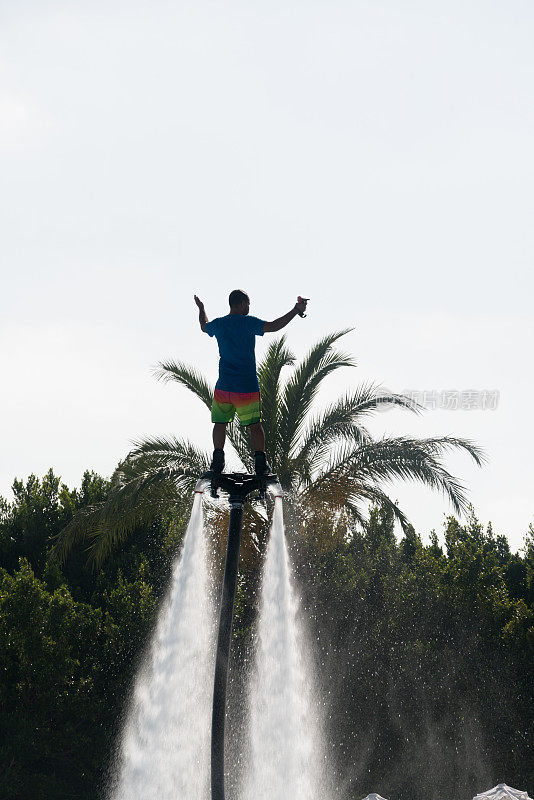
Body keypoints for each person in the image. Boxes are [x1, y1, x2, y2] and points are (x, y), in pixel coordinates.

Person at [194, 289, 308, 475]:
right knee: (255, 425)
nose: (249, 306)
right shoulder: (248, 323)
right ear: (240, 304)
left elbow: (203, 325)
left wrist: (201, 308)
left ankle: (217, 460)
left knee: (220, 423)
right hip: (246, 388)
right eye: (247, 303)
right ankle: (260, 463)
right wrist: (296, 310)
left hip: (224, 387)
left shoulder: (220, 325)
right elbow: (274, 326)